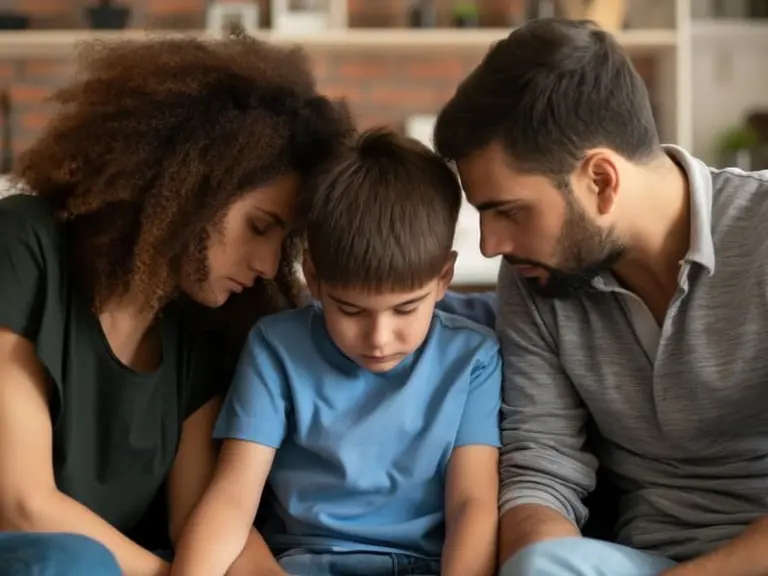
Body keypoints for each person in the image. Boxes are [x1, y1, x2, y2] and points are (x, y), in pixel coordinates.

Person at [0, 33, 352, 576]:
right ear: (191, 186)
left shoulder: (201, 326)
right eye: (259, 227)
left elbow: (201, 523)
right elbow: (22, 504)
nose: (266, 264)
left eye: (284, 243)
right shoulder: (23, 244)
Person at [433, 16, 768, 576]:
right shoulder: (534, 276)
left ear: (602, 181)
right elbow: (542, 465)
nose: (490, 246)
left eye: (509, 211)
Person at [171, 129, 502, 576]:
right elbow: (232, 499)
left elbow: (472, 505)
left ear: (444, 278)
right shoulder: (275, 347)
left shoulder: (473, 359)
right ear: (313, 276)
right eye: (350, 310)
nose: (379, 338)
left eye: (406, 308)